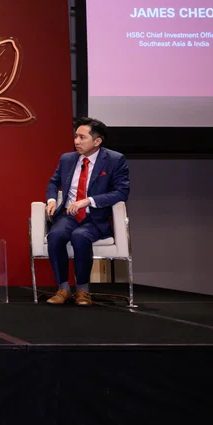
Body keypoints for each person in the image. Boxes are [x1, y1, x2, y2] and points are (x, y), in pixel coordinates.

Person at [44, 117, 130, 307]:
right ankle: (64, 288)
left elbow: (121, 192)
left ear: (97, 141)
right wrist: (51, 200)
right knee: (56, 235)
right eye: (76, 137)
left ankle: (83, 290)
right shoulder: (67, 159)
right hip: (69, 215)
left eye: (82, 137)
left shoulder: (115, 160)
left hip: (95, 217)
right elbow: (53, 182)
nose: (76, 141)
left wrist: (88, 201)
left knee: (80, 236)